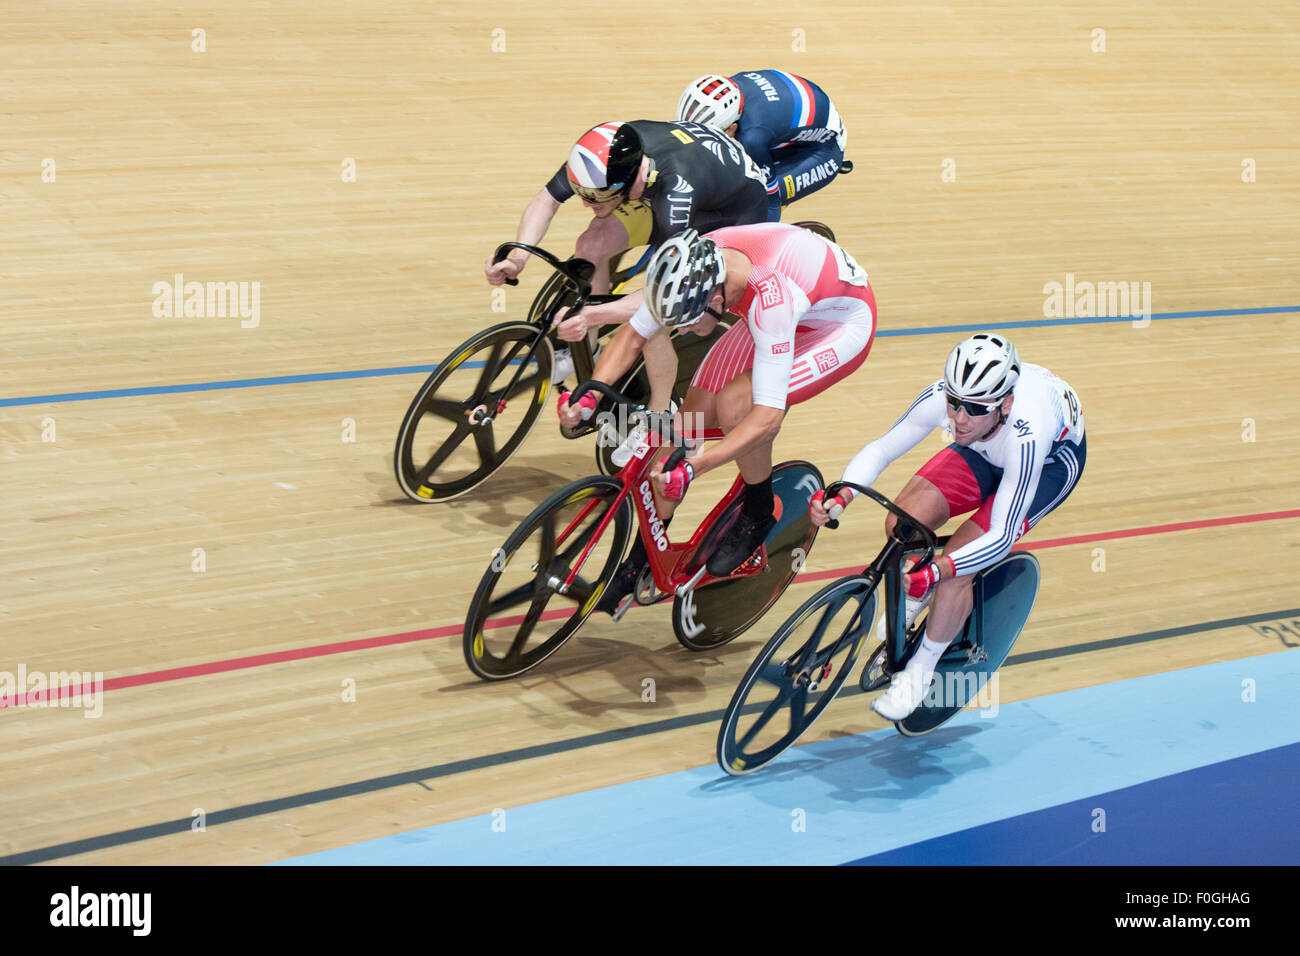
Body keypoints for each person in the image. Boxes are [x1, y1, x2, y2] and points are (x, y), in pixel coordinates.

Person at [558, 223, 877, 617]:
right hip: (783, 296)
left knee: (736, 406)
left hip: (838, 325)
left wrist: (696, 467)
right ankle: (637, 566)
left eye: (689, 322)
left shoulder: (770, 302)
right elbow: (633, 336)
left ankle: (759, 511)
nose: (686, 332)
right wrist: (588, 393)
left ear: (715, 298)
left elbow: (767, 418)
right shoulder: (694, 265)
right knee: (683, 430)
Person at [810, 334, 1087, 720]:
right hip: (985, 446)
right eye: (954, 404)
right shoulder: (953, 405)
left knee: (958, 567)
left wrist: (941, 569)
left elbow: (1001, 535)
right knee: (901, 523)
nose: (958, 418)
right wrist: (841, 495)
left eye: (973, 408)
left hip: (1051, 466)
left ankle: (918, 673)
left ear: (1005, 404)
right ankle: (918, 597)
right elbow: (882, 448)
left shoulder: (1028, 433)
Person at [485, 121, 769, 430]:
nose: (584, 203)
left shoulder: (676, 193)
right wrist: (518, 258)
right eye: (583, 194)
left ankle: (661, 412)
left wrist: (592, 314)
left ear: (624, 184)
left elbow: (657, 295)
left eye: (594, 198)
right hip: (684, 175)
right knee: (591, 242)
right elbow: (547, 200)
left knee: (655, 319)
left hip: (730, 213)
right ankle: (588, 352)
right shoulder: (605, 154)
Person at [677, 71, 851, 222]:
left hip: (823, 150)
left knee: (756, 198)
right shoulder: (728, 91)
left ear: (732, 127)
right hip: (787, 127)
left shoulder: (753, 136)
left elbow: (771, 201)